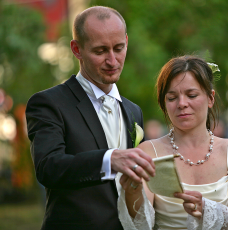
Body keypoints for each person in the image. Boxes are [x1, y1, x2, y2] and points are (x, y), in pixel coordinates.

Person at [25, 6, 155, 230]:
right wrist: (109, 160)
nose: (112, 60)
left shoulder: (134, 111)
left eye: (119, 48)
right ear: (77, 49)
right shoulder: (49, 103)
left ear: (126, 41)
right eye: (100, 51)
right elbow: (48, 167)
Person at [118, 55, 228, 229]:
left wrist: (207, 209)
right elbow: (141, 224)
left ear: (210, 98)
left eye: (191, 95)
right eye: (172, 98)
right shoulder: (148, 151)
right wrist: (132, 192)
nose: (182, 104)